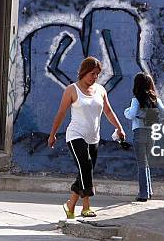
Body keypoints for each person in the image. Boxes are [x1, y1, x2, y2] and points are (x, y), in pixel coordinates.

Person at [48, 57, 126, 219]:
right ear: (83, 72)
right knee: (86, 164)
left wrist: (119, 127)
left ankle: (70, 205)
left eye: (97, 74)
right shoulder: (72, 90)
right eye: (92, 73)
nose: (95, 77)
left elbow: (108, 111)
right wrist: (53, 134)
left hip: (94, 138)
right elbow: (61, 113)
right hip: (76, 135)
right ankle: (86, 207)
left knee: (85, 170)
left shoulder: (101, 90)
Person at [124, 72, 164, 202]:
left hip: (139, 133)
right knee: (146, 163)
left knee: (141, 165)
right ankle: (148, 191)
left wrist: (126, 111)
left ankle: (143, 194)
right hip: (151, 134)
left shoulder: (136, 99)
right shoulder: (156, 100)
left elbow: (131, 114)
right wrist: (154, 119)